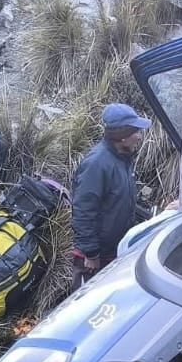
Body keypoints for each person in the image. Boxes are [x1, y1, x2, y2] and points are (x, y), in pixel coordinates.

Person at [70, 103, 150, 286]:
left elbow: (118, 202)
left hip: (113, 252)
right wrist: (91, 254)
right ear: (121, 137)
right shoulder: (97, 164)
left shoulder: (122, 158)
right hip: (94, 259)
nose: (139, 136)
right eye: (135, 131)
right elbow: (83, 211)